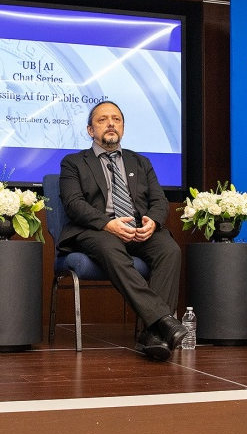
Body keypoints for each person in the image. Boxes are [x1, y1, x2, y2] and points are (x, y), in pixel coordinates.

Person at [58, 100, 187, 361]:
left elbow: (159, 201)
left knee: (169, 249)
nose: (110, 124)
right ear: (90, 130)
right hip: (96, 230)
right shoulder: (73, 163)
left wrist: (153, 220)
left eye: (116, 119)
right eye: (103, 120)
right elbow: (73, 204)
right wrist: (108, 224)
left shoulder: (140, 162)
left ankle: (153, 334)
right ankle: (164, 320)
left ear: (123, 128)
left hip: (138, 230)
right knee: (110, 246)